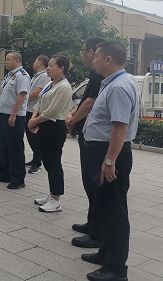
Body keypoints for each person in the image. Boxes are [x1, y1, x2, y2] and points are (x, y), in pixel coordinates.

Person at [81, 41, 138, 281]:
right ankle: (106, 253)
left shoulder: (119, 87)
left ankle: (116, 269)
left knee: (114, 211)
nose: (93, 59)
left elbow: (120, 128)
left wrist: (109, 161)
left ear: (108, 59)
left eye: (97, 56)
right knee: (105, 207)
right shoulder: (112, 83)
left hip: (110, 153)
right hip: (103, 151)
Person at [65, 37, 105, 249]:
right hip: (88, 135)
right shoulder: (94, 74)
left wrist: (73, 120)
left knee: (94, 184)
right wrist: (73, 114)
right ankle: (92, 223)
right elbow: (84, 101)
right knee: (89, 182)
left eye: (83, 51)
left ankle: (97, 231)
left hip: (97, 139)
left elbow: (89, 103)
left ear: (91, 52)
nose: (81, 54)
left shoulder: (100, 75)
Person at [28, 55, 73, 212]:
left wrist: (34, 121)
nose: (48, 68)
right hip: (43, 123)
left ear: (61, 68)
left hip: (54, 126)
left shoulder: (64, 87)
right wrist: (33, 118)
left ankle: (56, 200)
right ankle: (52, 194)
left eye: (51, 65)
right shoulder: (50, 83)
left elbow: (52, 111)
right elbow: (39, 103)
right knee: (47, 160)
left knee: (54, 162)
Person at [0, 52, 30, 189]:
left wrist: (13, 114)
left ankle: (18, 178)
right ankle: (5, 173)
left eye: (8, 59)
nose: (5, 62)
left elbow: (21, 96)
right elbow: (3, 96)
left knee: (15, 147)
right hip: (3, 114)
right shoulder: (9, 76)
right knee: (3, 145)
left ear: (17, 60)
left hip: (15, 116)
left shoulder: (22, 76)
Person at [25, 55, 51, 174]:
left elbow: (37, 93)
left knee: (35, 138)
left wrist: (23, 99)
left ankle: (37, 163)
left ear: (40, 62)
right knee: (31, 137)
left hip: (35, 111)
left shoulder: (44, 76)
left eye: (35, 60)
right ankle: (35, 159)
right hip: (30, 109)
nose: (34, 62)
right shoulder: (37, 75)